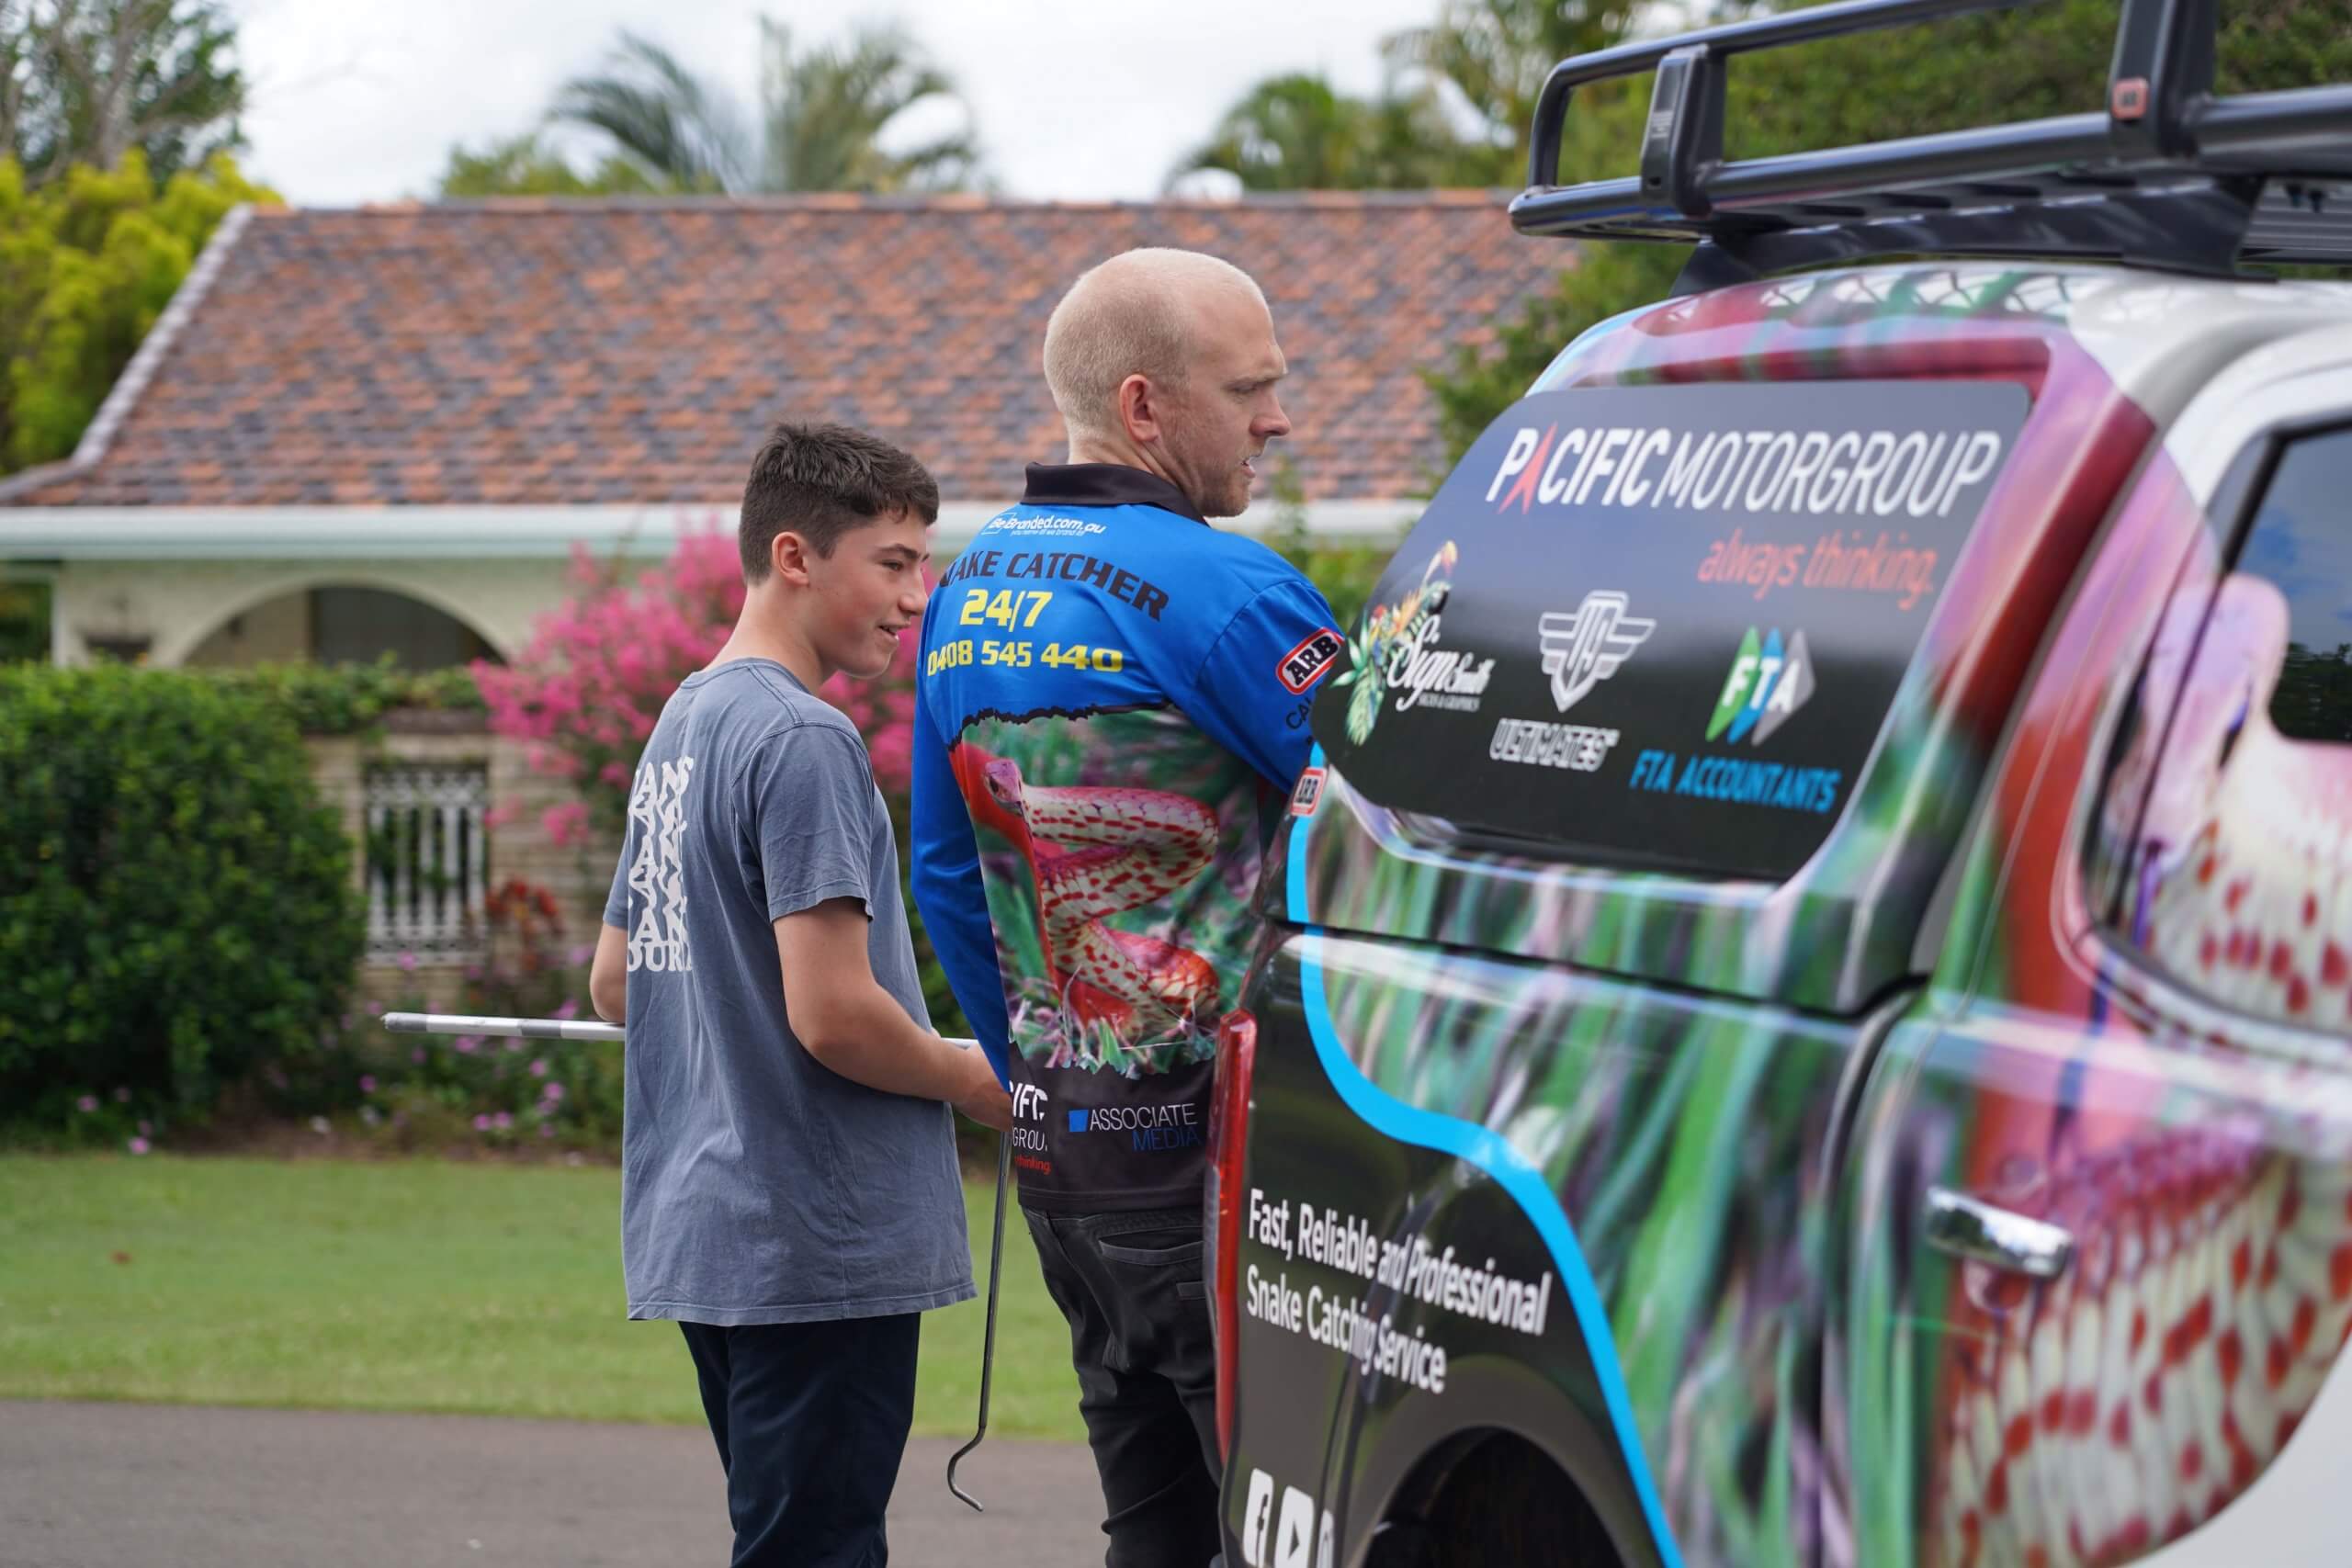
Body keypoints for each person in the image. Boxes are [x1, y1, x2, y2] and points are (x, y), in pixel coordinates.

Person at [909, 248, 1340, 1567]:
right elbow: (1391, 827)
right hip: (1222, 1167)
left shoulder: (968, 587)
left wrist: (1039, 1070)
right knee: (1284, 1531)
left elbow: (941, 871)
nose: (1278, 416)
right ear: (1146, 407)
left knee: (1151, 1526)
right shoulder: (1235, 592)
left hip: (1063, 1165)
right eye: (1252, 387)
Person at [589, 421, 1012, 1568]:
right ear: (794, 556)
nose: (917, 595)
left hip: (716, 1233)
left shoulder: (682, 724)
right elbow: (833, 1014)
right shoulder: (802, 738)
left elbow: (617, 979)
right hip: (817, 1248)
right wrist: (980, 1079)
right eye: (893, 562)